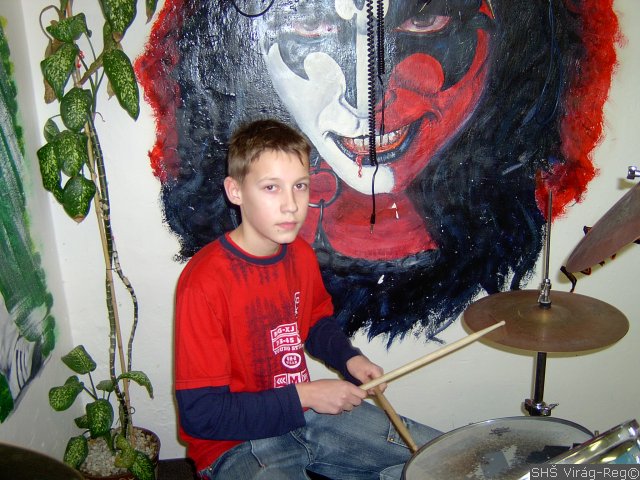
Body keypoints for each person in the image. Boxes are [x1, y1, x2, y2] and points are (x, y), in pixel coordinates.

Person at [138, 0, 619, 345]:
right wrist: (310, 394)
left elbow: (312, 331)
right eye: (312, 26)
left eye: (424, 19)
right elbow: (208, 407)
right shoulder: (210, 280)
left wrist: (346, 362)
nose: (365, 103)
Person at [174, 119, 441, 479]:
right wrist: (306, 396)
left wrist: (348, 359)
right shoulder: (203, 282)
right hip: (234, 444)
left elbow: (314, 320)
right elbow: (202, 415)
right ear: (235, 191)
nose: (291, 205)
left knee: (442, 459)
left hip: (303, 416)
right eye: (271, 187)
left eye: (299, 186)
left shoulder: (299, 253)